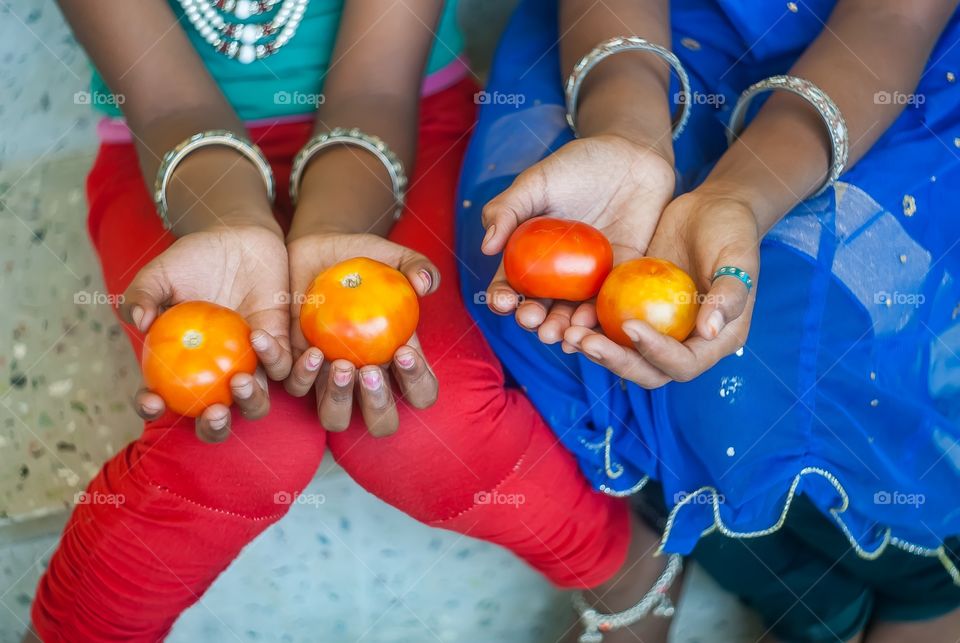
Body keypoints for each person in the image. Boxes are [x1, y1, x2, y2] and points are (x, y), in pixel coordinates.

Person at [28, 1, 665, 641]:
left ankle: (622, 565)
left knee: (423, 422)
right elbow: (163, 102)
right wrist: (231, 226)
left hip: (404, 123)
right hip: (168, 153)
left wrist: (335, 230)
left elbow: (375, 89)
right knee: (238, 440)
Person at [457, 0, 960, 640]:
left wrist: (738, 196)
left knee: (769, 341)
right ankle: (800, 592)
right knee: (535, 302)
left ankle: (919, 586)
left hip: (880, 80)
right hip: (639, 41)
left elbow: (893, 22)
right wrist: (627, 133)